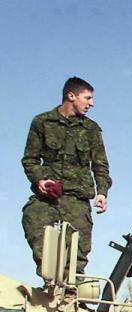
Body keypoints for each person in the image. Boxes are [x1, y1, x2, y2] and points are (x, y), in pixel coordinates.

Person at [21, 76, 111, 277]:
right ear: (71, 96)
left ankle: (71, 290)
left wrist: (102, 192)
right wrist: (39, 180)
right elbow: (30, 159)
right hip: (48, 196)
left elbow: (100, 164)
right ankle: (49, 281)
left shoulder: (91, 129)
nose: (92, 103)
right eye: (87, 98)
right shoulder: (42, 123)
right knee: (33, 219)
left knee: (77, 250)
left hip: (77, 199)